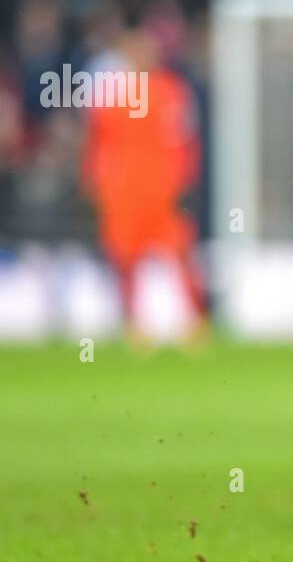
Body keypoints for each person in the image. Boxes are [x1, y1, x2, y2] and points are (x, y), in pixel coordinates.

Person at [81, 29, 209, 341]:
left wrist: (186, 182)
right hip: (123, 193)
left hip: (163, 191)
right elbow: (98, 146)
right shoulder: (111, 96)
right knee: (125, 259)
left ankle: (197, 323)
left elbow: (186, 142)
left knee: (180, 253)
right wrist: (95, 183)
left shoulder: (172, 91)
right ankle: (133, 326)